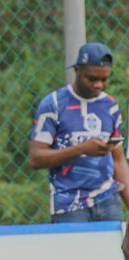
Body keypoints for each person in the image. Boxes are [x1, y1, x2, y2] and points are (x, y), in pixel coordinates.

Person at [29, 42, 129, 223]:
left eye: (105, 79)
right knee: (74, 252)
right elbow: (36, 158)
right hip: (69, 205)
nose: (99, 85)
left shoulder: (111, 106)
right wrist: (81, 149)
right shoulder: (54, 104)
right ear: (77, 71)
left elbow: (119, 160)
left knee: (112, 252)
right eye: (91, 79)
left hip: (108, 202)